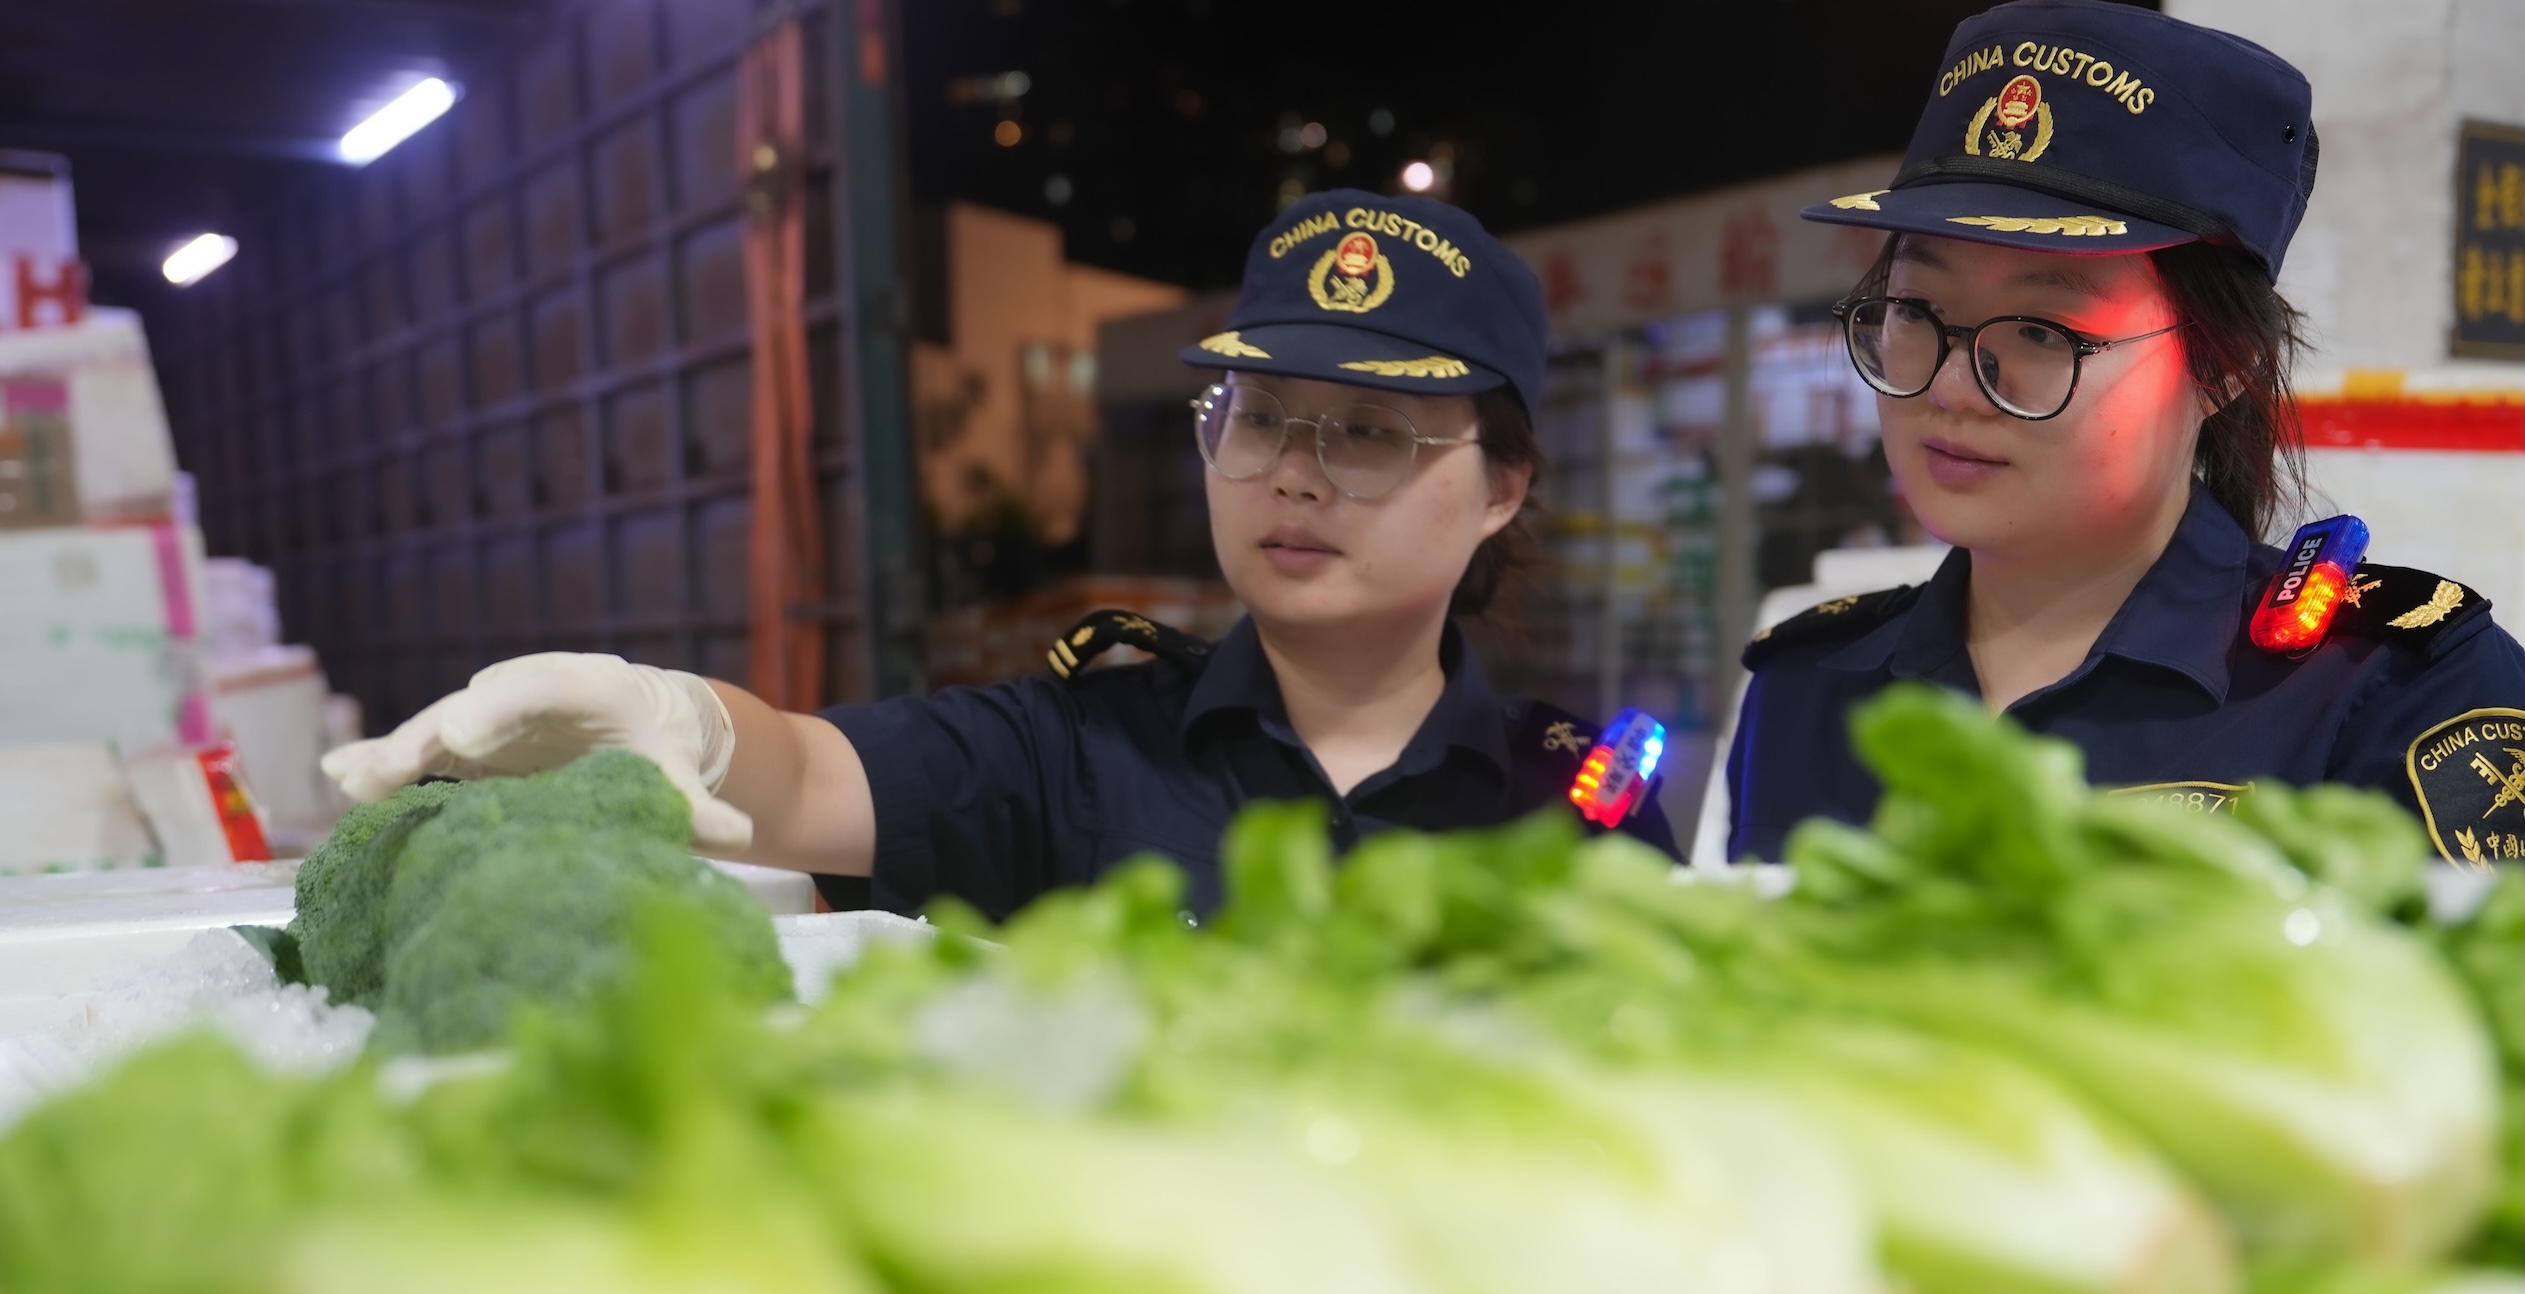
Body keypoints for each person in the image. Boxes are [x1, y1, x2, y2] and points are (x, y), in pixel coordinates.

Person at [322, 190, 1680, 920]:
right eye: (1257, 418)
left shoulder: (1583, 791)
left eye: (1371, 432)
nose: (1295, 470)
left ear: (1502, 486)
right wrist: (671, 717)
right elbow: (811, 767)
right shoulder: (1081, 750)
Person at [1729, 0, 2525, 868]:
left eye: (2040, 332)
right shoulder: (1805, 688)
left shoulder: (2395, 688)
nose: (1951, 385)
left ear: (2227, 366)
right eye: (1914, 311)